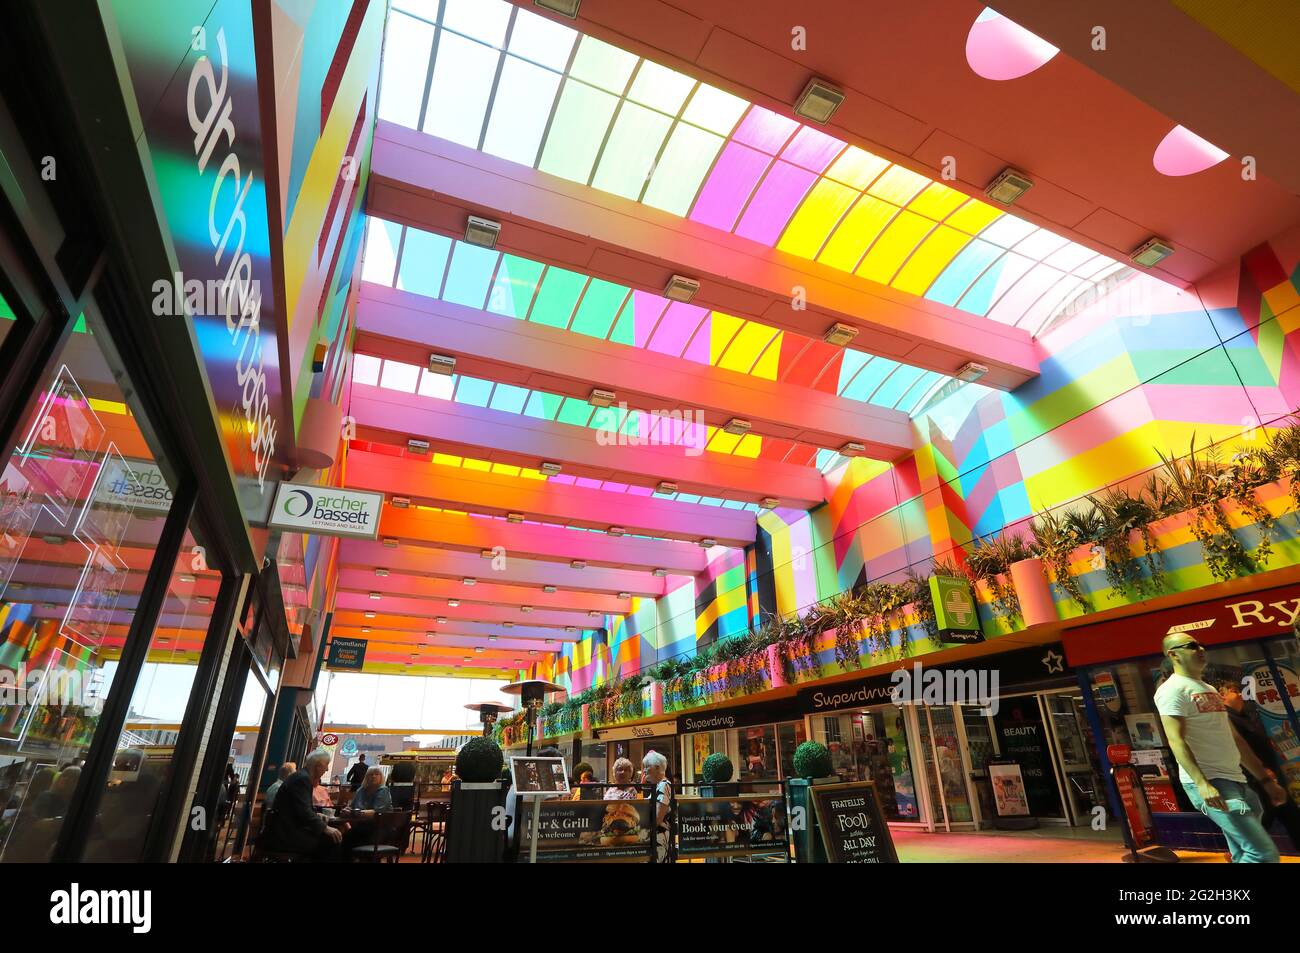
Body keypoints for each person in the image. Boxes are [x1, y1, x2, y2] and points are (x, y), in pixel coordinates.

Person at [1155, 635, 1284, 863]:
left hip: (1237, 780)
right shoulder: (1171, 690)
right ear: (1173, 654)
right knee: (1263, 854)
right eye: (1192, 646)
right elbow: (1175, 740)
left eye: (1201, 644)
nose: (1201, 649)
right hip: (1213, 783)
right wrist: (1202, 784)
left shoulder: (1209, 689)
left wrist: (1265, 780)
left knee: (1243, 854)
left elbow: (1234, 739)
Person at [1205, 666, 1300, 850]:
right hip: (1256, 783)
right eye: (1233, 691)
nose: (1239, 694)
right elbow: (1238, 748)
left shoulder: (1244, 718)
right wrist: (1264, 774)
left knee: (1289, 820)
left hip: (1268, 781)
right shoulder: (1226, 719)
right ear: (1222, 696)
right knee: (1261, 827)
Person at [263, 749, 343, 861]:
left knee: (328, 838)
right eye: (326, 766)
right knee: (333, 840)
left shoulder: (300, 776)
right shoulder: (303, 779)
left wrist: (317, 815)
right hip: (286, 836)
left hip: (283, 831)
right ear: (318, 766)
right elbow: (304, 812)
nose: (327, 769)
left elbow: (300, 808)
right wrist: (325, 828)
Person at [641, 751, 673, 862]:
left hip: (659, 838)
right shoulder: (658, 786)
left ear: (658, 767)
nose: (644, 770)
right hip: (655, 837)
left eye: (647, 766)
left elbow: (657, 818)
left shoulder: (664, 785)